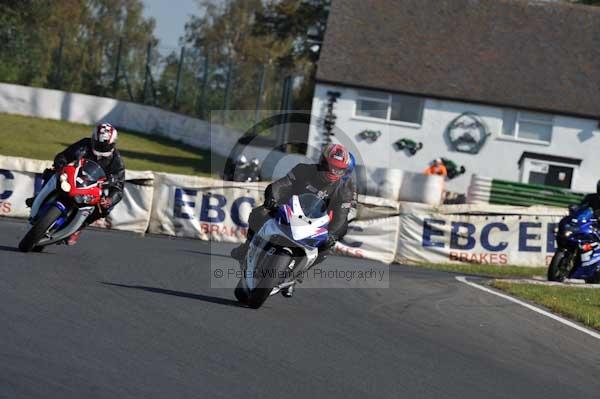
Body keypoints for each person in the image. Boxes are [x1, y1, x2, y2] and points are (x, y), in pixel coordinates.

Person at [230, 143, 356, 297]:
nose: (333, 172)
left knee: (325, 248)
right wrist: (272, 198)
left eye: (338, 169)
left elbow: (341, 216)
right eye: (330, 167)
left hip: (314, 224)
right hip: (287, 210)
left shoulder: (345, 190)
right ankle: (247, 246)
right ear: (322, 161)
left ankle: (295, 276)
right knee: (260, 213)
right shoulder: (303, 170)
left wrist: (333, 234)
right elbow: (281, 185)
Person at [26, 123, 125, 245]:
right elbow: (64, 155)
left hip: (93, 187)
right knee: (51, 173)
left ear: (113, 144)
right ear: (93, 139)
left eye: (105, 146)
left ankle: (78, 227)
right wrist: (60, 165)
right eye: (99, 144)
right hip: (74, 177)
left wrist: (110, 199)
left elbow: (119, 187)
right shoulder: (84, 144)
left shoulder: (116, 160)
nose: (101, 148)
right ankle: (39, 197)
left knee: (104, 208)